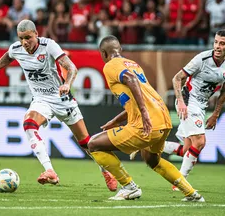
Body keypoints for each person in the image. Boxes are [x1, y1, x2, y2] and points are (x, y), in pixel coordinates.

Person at [0, 19, 117, 191]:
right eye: (21, 39)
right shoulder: (16, 49)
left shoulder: (49, 46)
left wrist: (67, 84)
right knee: (29, 125)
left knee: (86, 143)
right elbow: (7, 57)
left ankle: (106, 172)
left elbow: (72, 68)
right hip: (41, 100)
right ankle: (50, 171)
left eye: (28, 38)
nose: (25, 42)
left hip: (62, 99)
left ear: (36, 35)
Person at [87, 35, 204, 202]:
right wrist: (118, 120)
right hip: (163, 119)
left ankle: (129, 187)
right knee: (152, 159)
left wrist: (143, 112)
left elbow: (131, 80)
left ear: (104, 53)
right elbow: (140, 96)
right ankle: (192, 193)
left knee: (94, 144)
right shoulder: (133, 64)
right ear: (120, 50)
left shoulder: (111, 65)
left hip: (147, 122)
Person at [161, 30, 225, 190]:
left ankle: (148, 145)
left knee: (187, 150)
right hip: (188, 101)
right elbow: (177, 78)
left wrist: (216, 114)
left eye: (222, 43)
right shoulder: (202, 59)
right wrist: (181, 103)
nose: (218, 46)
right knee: (200, 142)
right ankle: (181, 183)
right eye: (216, 42)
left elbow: (224, 91)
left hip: (201, 106)